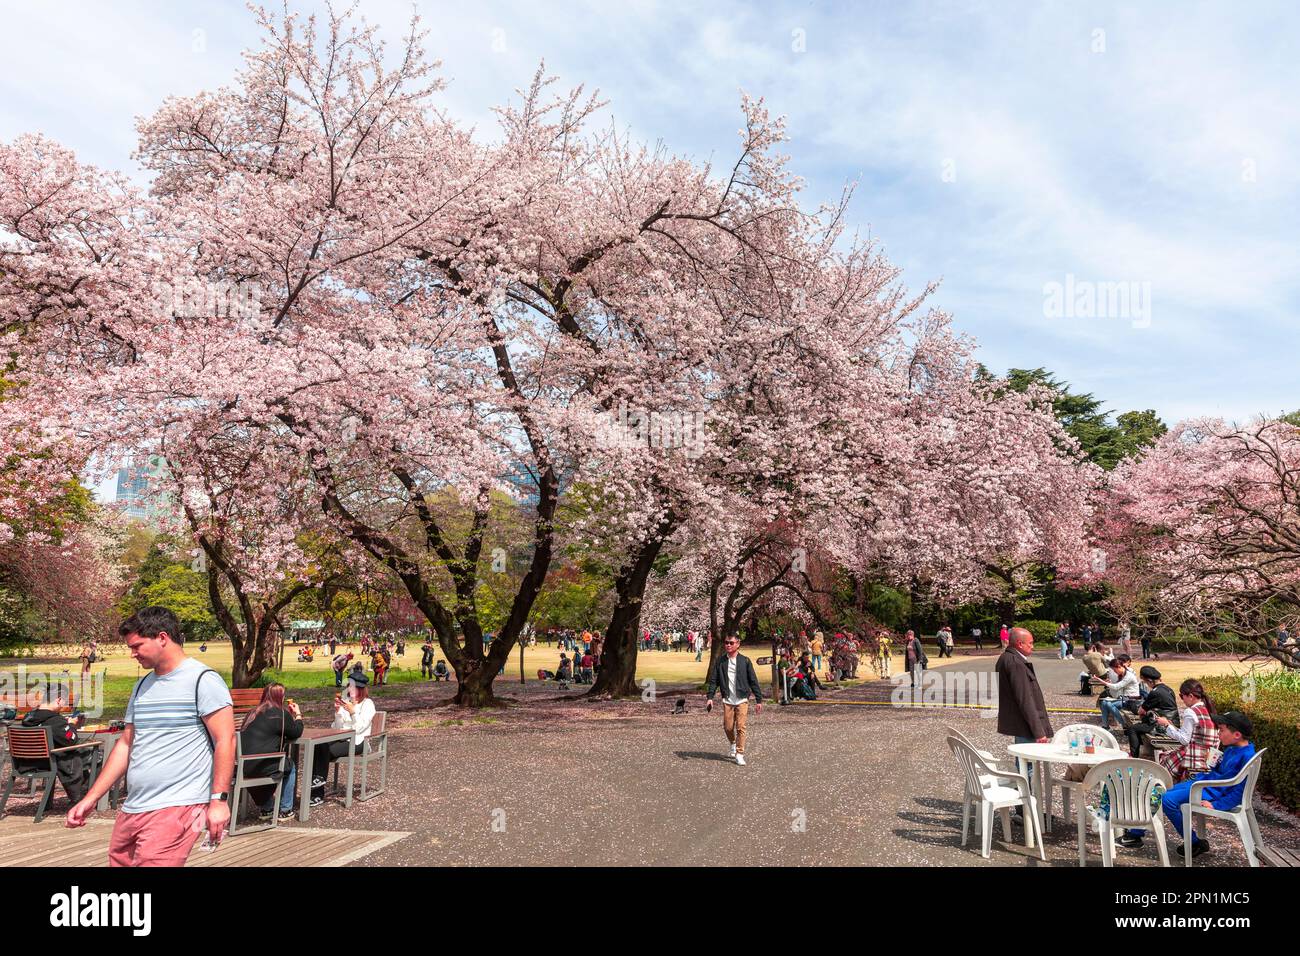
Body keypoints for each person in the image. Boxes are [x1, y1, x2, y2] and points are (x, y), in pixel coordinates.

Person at [67, 606, 235, 867]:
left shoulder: (203, 680)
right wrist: (91, 799)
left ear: (162, 638)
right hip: (134, 806)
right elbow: (126, 744)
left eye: (137, 646)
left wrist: (219, 801)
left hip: (179, 805)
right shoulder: (142, 685)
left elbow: (226, 740)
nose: (132, 654)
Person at [1120, 712, 1256, 857]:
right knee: (1158, 790)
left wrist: (1217, 805)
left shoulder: (1247, 756)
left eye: (1222, 730)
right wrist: (1213, 761)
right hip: (1203, 783)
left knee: (1167, 800)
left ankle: (1193, 842)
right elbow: (1223, 771)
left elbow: (1240, 792)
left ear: (1236, 735)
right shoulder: (1233, 748)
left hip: (1208, 790)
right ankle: (1136, 833)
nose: (1218, 733)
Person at [15, 682, 90, 806]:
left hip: (26, 762)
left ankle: (81, 793)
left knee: (76, 754)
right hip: (50, 762)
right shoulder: (55, 720)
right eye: (64, 702)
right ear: (59, 700)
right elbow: (71, 739)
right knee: (94, 755)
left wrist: (64, 725)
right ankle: (85, 796)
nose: (63, 706)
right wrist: (71, 725)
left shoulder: (28, 718)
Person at [239, 683, 303, 821]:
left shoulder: (252, 713)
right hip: (263, 764)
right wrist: (297, 715)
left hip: (243, 766)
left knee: (266, 762)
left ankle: (267, 808)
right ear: (280, 697)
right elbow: (296, 732)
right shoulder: (280, 714)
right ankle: (285, 809)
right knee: (289, 766)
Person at [310, 674, 375, 806]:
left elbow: (359, 728)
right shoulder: (345, 701)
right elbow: (337, 728)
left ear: (360, 689)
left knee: (325, 750)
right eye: (348, 686)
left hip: (358, 741)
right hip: (342, 738)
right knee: (318, 745)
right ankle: (318, 783)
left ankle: (317, 790)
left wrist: (352, 712)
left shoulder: (368, 704)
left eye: (352, 687)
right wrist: (338, 712)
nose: (349, 690)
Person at [705, 635, 764, 765]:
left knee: (741, 727)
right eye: (726, 643)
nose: (728, 645)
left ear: (738, 644)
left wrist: (759, 700)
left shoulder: (745, 661)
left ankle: (739, 753)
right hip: (728, 700)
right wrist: (710, 698)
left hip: (742, 699)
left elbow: (753, 681)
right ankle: (732, 742)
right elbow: (714, 681)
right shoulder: (720, 662)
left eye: (731, 643)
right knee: (728, 727)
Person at [996, 627, 1052, 752]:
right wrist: (1038, 731)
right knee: (1028, 765)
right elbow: (1025, 699)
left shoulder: (1006, 658)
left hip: (1020, 723)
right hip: (1025, 726)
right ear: (1020, 644)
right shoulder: (1015, 662)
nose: (1032, 646)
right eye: (1030, 643)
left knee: (1024, 763)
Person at [1153, 679, 1220, 782]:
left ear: (1191, 696)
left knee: (1163, 758)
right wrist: (1171, 727)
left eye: (1181, 696)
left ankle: (1165, 791)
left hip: (1194, 758)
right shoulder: (1209, 709)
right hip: (1210, 758)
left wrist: (1166, 725)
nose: (1182, 699)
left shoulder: (1190, 712)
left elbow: (1184, 740)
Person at [1124, 666, 1177, 758]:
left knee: (1132, 729)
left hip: (1162, 726)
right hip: (1173, 722)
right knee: (1140, 726)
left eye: (1145, 682)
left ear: (1149, 681)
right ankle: (1144, 753)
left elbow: (1141, 711)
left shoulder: (1155, 692)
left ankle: (1134, 756)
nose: (1146, 684)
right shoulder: (1168, 689)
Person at [1092, 656, 1140, 730]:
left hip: (1131, 700)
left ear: (1119, 667)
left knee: (1107, 703)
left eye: (1115, 670)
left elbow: (1116, 687)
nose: (1114, 672)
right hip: (1124, 698)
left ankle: (1123, 724)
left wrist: (1101, 681)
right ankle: (1105, 725)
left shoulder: (1129, 676)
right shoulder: (1123, 674)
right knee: (1104, 703)